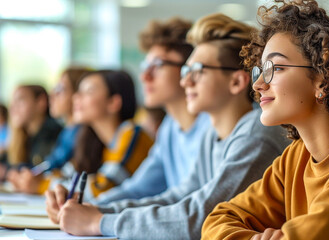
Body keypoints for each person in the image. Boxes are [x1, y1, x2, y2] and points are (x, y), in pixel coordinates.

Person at [46, 13, 291, 239]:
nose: (185, 80)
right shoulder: (210, 135)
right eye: (186, 70)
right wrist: (96, 209)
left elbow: (201, 217)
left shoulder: (255, 135)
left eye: (197, 71)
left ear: (237, 82)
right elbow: (178, 196)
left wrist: (99, 222)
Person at [201, 1, 329, 239]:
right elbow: (217, 220)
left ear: (323, 79)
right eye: (260, 70)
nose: (258, 85)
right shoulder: (295, 158)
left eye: (274, 68)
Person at [88, 17, 211, 205]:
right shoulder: (170, 127)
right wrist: (90, 207)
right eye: (146, 66)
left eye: (158, 65)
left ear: (189, 68)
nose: (145, 76)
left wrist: (98, 216)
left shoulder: (213, 125)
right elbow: (138, 189)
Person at [49, 70, 154, 202]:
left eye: (88, 92)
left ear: (113, 103)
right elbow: (66, 174)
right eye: (78, 91)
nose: (76, 97)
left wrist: (43, 186)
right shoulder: (94, 140)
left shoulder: (131, 132)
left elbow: (104, 187)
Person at [8, 67, 91, 194]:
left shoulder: (79, 134)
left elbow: (62, 171)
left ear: (77, 95)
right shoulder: (67, 133)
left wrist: (39, 183)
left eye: (60, 89)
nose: (52, 95)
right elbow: (50, 165)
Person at [2, 85, 62, 180]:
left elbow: (40, 169)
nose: (13, 107)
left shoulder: (53, 133)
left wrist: (7, 172)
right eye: (12, 102)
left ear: (41, 102)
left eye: (20, 100)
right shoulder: (24, 136)